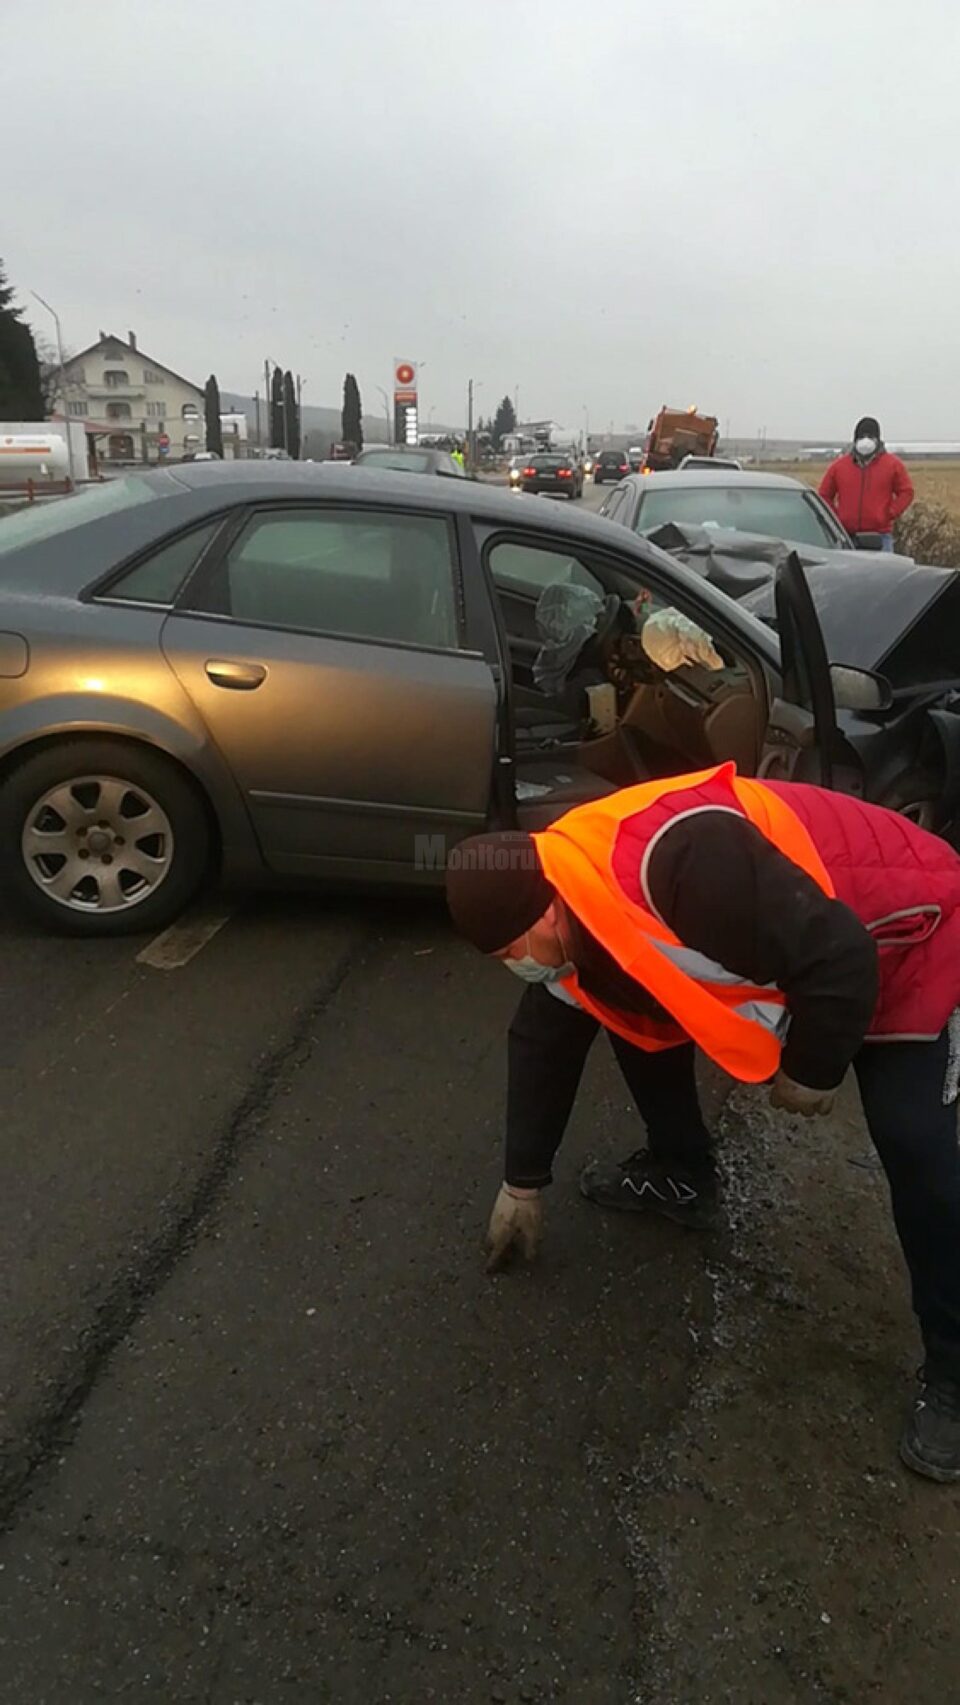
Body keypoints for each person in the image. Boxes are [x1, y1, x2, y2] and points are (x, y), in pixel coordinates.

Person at [445, 764, 960, 1482]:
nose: (515, 968)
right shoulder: (571, 892)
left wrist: (811, 1069)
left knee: (919, 1148)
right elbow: (545, 1037)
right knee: (624, 1005)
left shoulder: (683, 867)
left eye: (511, 953)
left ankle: (954, 1377)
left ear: (548, 912)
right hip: (815, 941)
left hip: (904, 929)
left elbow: (841, 959)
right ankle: (682, 1171)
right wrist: (522, 1180)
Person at [819, 416, 914, 550]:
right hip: (846, 536)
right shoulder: (839, 467)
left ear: (878, 439)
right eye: (861, 436)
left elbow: (906, 492)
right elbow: (824, 494)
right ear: (855, 440)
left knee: (884, 571)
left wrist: (889, 513)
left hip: (880, 537)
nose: (865, 441)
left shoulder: (893, 465)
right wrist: (835, 518)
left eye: (870, 436)